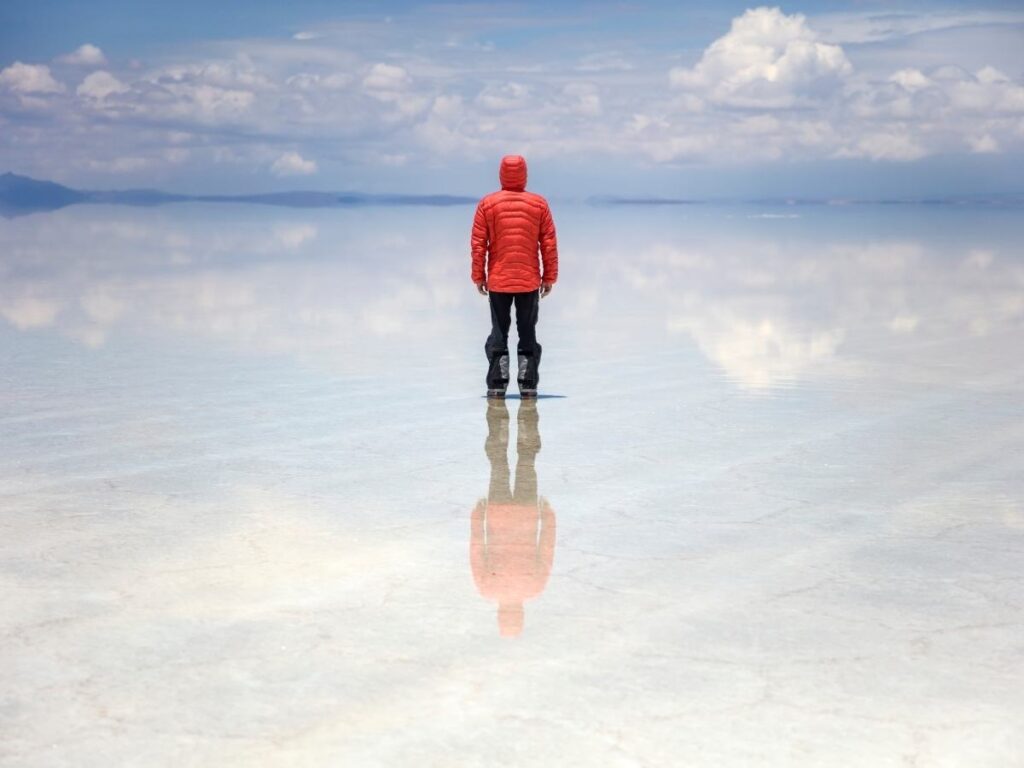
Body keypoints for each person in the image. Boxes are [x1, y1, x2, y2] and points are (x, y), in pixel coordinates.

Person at [471, 154, 559, 398]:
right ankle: (528, 384)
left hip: (498, 281)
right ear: (525, 175)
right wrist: (549, 276)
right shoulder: (539, 204)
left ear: (501, 174)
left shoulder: (487, 204)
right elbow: (548, 243)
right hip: (528, 280)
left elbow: (479, 244)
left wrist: (478, 275)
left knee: (499, 332)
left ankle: (497, 386)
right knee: (527, 331)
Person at [470, 398, 556, 637]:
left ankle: (516, 425)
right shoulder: (489, 589)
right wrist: (477, 518)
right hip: (500, 512)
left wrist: (548, 517)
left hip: (525, 512)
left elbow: (547, 548)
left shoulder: (534, 588)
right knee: (499, 464)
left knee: (526, 463)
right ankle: (503, 426)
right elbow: (477, 549)